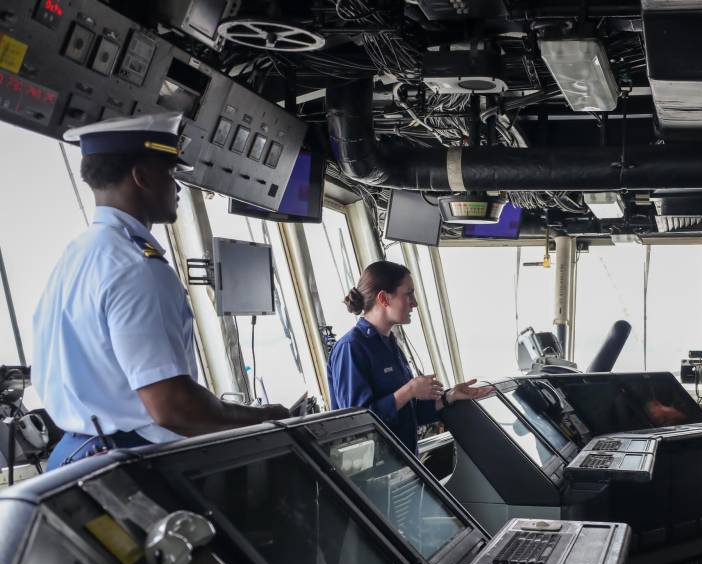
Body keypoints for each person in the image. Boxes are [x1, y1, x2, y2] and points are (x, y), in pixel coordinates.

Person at [33, 113, 289, 470]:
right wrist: (265, 418)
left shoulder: (78, 255)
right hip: (127, 466)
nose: (178, 188)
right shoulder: (137, 268)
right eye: (170, 175)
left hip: (77, 457)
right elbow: (172, 407)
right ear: (142, 177)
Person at [327, 260, 489, 453]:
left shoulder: (389, 343)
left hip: (406, 462)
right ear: (384, 298)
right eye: (408, 294)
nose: (415, 303)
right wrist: (409, 390)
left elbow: (409, 413)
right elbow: (357, 424)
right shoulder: (351, 348)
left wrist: (448, 397)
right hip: (375, 473)